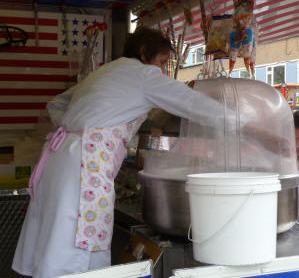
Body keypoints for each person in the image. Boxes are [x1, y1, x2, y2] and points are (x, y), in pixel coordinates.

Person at [11, 27, 218, 278]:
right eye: (163, 62)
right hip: (85, 165)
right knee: (77, 245)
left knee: (56, 237)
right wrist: (241, 118)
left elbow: (56, 104)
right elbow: (196, 105)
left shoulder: (107, 71)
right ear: (144, 52)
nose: (163, 70)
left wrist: (79, 126)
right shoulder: (144, 75)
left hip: (62, 158)